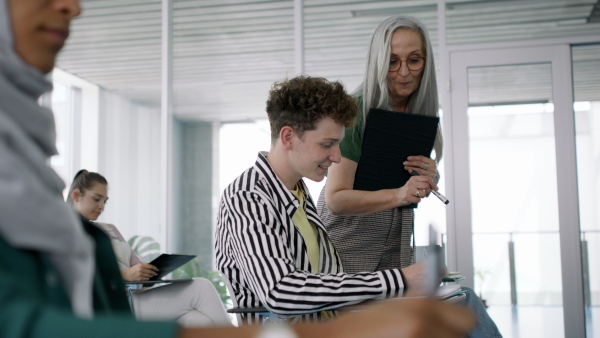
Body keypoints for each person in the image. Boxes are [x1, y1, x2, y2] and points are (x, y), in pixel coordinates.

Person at [0, 0, 476, 337]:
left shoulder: (297, 201)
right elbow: (282, 292)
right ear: (289, 137)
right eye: (328, 145)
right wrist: (395, 286)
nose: (335, 159)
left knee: (462, 313)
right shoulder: (250, 195)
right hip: (295, 325)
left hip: (324, 318)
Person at [317, 15, 442, 274]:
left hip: (397, 237)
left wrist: (428, 177)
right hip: (348, 242)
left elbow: (405, 185)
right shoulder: (355, 111)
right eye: (392, 61)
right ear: (378, 62)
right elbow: (336, 200)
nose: (405, 72)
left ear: (426, 63)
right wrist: (399, 194)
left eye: (415, 60)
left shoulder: (419, 111)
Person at [67, 169, 232, 327]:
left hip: (137, 297)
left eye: (105, 201)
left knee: (198, 321)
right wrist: (124, 275)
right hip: (113, 305)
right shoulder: (67, 234)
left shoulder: (109, 229)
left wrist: (149, 271)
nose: (101, 206)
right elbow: (76, 276)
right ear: (76, 196)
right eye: (96, 199)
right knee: (201, 287)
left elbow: (137, 267)